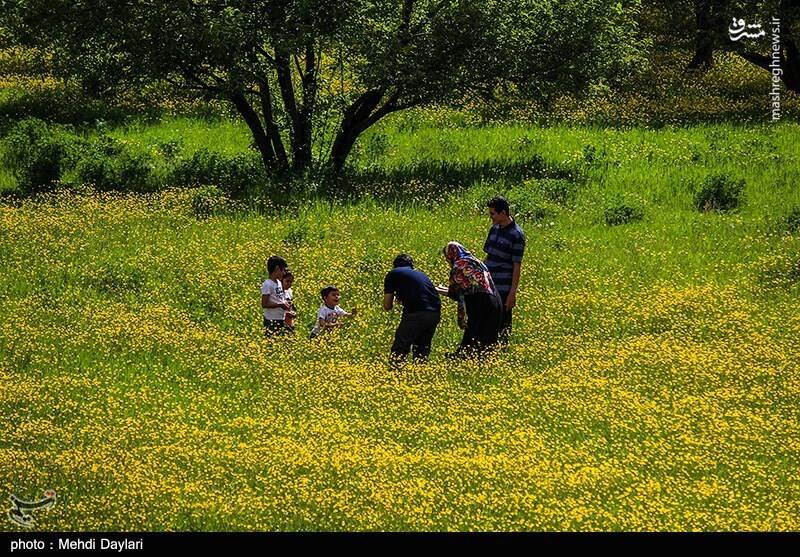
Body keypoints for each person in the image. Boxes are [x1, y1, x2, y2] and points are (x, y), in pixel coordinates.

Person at [437, 242, 503, 356]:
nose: (447, 261)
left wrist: (436, 290)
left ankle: (462, 357)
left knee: (473, 333)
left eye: (447, 258)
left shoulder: (459, 266)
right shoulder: (475, 261)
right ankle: (484, 359)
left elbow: (455, 293)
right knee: (488, 336)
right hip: (495, 300)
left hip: (480, 303)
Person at [383, 253, 441, 362]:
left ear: (395, 265)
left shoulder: (393, 273)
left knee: (401, 346)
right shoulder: (421, 274)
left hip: (416, 313)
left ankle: (395, 369)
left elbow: (387, 306)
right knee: (422, 348)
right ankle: (420, 370)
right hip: (434, 313)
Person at [483, 196, 526, 343]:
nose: (491, 217)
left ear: (503, 213)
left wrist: (512, 294)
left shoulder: (517, 235)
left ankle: (502, 349)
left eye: (493, 214)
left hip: (503, 287)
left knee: (503, 322)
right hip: (489, 284)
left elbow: (517, 266)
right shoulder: (494, 229)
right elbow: (488, 256)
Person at [261, 256, 292, 335]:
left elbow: (278, 298)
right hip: (271, 320)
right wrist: (281, 304)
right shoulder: (267, 284)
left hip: (281, 318)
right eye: (283, 270)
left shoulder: (278, 283)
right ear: (277, 268)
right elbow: (264, 304)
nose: (284, 273)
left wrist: (286, 303)